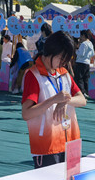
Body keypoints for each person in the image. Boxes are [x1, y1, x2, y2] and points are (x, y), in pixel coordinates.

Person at [21, 30, 86, 168]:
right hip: (47, 147)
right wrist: (53, 100)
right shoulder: (33, 75)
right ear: (51, 51)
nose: (62, 63)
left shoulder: (63, 73)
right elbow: (26, 113)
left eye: (65, 60)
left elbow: (82, 100)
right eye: (61, 58)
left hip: (71, 141)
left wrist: (65, 101)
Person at [74, 29, 95, 96]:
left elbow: (81, 54)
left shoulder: (83, 44)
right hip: (87, 63)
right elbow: (92, 53)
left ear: (83, 35)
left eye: (81, 36)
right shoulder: (90, 43)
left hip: (80, 62)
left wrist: (76, 50)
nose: (80, 37)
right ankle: (86, 91)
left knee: (79, 78)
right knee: (86, 78)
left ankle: (82, 92)